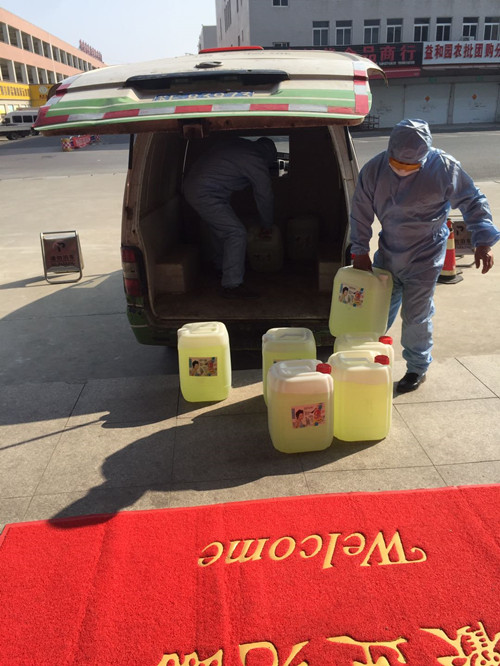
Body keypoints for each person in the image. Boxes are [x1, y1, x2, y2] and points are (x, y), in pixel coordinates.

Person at [349, 118, 500, 393]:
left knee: (416, 315)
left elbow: (472, 200)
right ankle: (366, 354)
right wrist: (359, 249)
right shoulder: (374, 170)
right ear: (390, 151)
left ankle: (416, 368)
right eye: (398, 163)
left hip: (425, 255)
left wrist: (483, 241)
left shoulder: (443, 167)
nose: (403, 170)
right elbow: (360, 210)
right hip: (389, 252)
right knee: (376, 311)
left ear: (425, 156)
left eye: (412, 166)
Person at [183, 136, 277, 299]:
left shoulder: (241, 145)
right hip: (205, 192)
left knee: (220, 229)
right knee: (236, 233)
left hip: (196, 186)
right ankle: (232, 285)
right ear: (269, 156)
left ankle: (220, 267)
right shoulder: (256, 160)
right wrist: (267, 224)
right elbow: (265, 196)